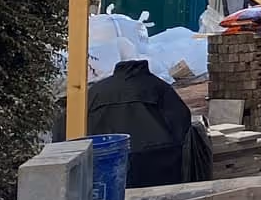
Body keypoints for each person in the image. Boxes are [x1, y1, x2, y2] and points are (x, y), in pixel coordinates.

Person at [54, 58, 212, 187]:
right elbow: (181, 120)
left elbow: (64, 126)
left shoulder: (96, 91)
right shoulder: (158, 87)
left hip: (105, 160)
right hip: (157, 161)